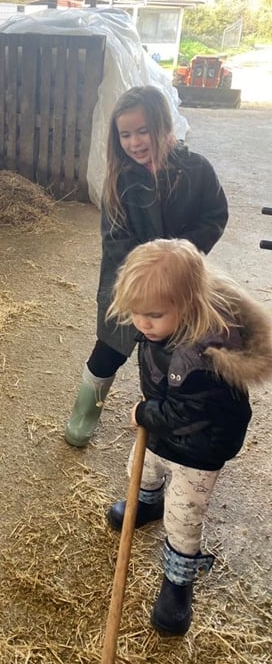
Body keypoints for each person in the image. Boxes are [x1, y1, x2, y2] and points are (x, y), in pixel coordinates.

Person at [105, 238, 272, 636]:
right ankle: (147, 504)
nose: (142, 323)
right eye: (136, 313)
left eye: (154, 315)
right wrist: (152, 410)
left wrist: (145, 412)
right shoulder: (161, 327)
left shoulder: (206, 358)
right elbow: (164, 387)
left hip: (200, 446)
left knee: (183, 514)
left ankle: (179, 581)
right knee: (141, 469)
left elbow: (190, 412)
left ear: (189, 304)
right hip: (163, 430)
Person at [64, 85, 229, 447]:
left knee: (174, 355)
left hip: (182, 284)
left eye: (143, 131)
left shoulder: (196, 170)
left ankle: (167, 419)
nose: (135, 142)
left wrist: (183, 253)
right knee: (109, 349)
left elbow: (215, 214)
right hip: (131, 285)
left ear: (164, 126)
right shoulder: (120, 182)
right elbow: (116, 240)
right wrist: (149, 271)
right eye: (125, 134)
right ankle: (85, 411)